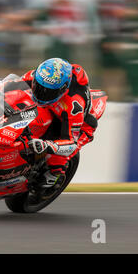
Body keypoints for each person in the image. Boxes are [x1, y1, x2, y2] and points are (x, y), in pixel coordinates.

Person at [21, 58, 98, 188]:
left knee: (58, 150)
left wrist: (47, 146)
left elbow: (70, 143)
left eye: (49, 92)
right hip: (51, 108)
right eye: (39, 87)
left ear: (62, 89)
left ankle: (56, 174)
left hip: (74, 123)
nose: (41, 94)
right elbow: (10, 87)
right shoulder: (37, 75)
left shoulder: (74, 105)